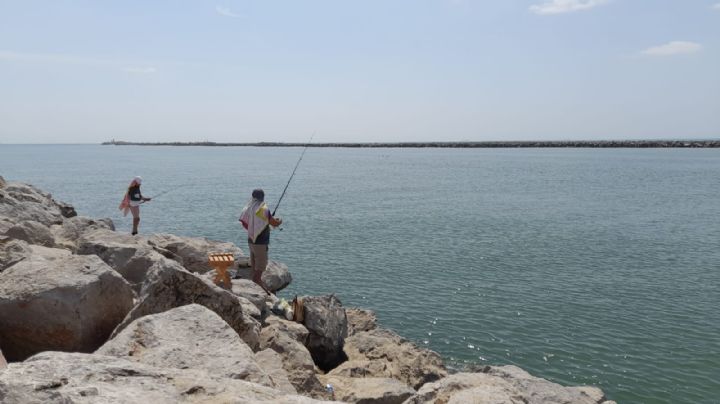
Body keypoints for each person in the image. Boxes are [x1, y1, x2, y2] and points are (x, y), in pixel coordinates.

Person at [239, 189, 282, 295]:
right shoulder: (263, 209)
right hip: (260, 242)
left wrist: (267, 220)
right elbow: (274, 223)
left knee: (254, 266)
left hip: (251, 240)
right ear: (262, 197)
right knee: (261, 266)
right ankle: (262, 288)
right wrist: (280, 220)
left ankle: (255, 289)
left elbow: (248, 222)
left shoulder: (248, 207)